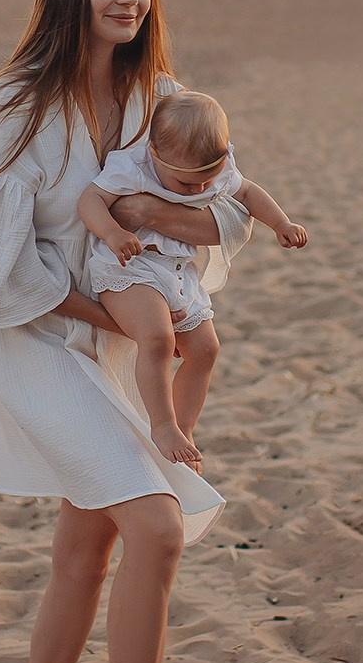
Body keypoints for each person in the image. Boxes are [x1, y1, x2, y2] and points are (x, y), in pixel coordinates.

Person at [0, 0, 251, 663]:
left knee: (89, 550)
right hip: (35, 337)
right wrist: (111, 286)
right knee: (157, 528)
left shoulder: (153, 96)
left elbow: (225, 212)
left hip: (115, 340)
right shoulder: (18, 105)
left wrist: (143, 220)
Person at [79, 88, 307, 466]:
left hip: (178, 272)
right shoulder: (132, 167)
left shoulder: (210, 167)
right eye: (187, 186)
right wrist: (112, 232)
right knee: (157, 339)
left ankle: (184, 427)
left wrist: (280, 223)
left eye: (208, 180)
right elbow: (90, 200)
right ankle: (163, 424)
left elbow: (247, 192)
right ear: (155, 153)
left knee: (205, 349)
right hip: (130, 268)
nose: (201, 190)